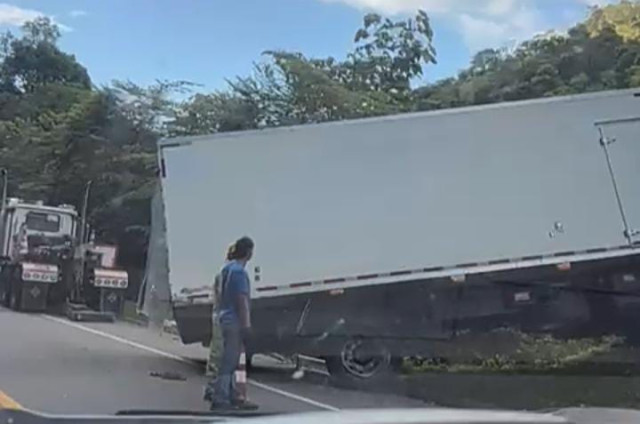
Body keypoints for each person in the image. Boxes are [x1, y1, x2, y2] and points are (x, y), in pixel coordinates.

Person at [209, 236, 257, 410]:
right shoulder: (240, 272)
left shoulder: (227, 269)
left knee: (230, 359)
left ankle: (230, 394)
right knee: (229, 361)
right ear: (248, 252)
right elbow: (241, 300)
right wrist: (246, 325)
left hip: (223, 317)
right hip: (233, 320)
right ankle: (221, 397)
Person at [204, 243, 235, 397]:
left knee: (225, 355)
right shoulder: (226, 273)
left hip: (223, 316)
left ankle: (224, 388)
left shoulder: (227, 271)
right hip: (222, 316)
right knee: (218, 353)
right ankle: (212, 387)